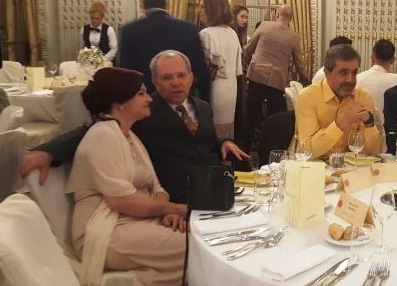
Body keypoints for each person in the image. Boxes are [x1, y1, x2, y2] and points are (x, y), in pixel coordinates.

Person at [20, 50, 249, 204]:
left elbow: (204, 139)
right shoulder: (142, 110)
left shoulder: (202, 106)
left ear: (191, 77)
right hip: (179, 196)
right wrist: (49, 151)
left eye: (181, 75)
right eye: (167, 78)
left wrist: (224, 142)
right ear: (155, 82)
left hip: (218, 188)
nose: (176, 83)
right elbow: (95, 129)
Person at [66, 67, 187, 286]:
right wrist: (179, 209)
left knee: (193, 238)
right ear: (120, 103)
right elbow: (122, 202)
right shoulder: (103, 135)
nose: (149, 98)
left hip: (132, 219)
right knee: (190, 244)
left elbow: (156, 187)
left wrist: (165, 212)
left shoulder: (129, 135)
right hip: (103, 227)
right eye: (141, 93)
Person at [118, 0, 211, 101]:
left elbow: (125, 72)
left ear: (143, 4)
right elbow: (201, 71)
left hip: (145, 100)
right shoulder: (188, 29)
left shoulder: (130, 30)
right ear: (166, 3)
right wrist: (204, 103)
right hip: (180, 98)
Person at [295, 44, 381, 160]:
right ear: (327, 72)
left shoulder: (363, 97)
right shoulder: (308, 97)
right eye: (344, 73)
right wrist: (339, 124)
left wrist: (369, 122)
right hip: (313, 167)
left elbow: (373, 152)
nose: (350, 80)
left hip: (348, 168)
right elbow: (307, 150)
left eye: (354, 73)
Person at [243, 4, 309, 147]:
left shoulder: (264, 26)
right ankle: (271, 149)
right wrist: (306, 81)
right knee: (275, 118)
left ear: (276, 14)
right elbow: (299, 64)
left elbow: (248, 49)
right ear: (290, 19)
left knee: (251, 115)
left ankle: (244, 150)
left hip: (256, 75)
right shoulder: (294, 37)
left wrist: (248, 62)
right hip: (277, 80)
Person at [198, 0, 243, 139]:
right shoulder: (232, 33)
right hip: (231, 88)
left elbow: (203, 70)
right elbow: (237, 69)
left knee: (213, 132)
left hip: (214, 89)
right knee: (227, 131)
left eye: (203, 7)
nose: (199, 10)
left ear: (212, 9)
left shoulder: (206, 34)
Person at [356, 39, 397, 116]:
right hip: (394, 123)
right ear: (393, 60)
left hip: (365, 122)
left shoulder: (358, 79)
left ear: (372, 58)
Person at [231, 4, 250, 144]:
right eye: (242, 16)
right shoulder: (231, 33)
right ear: (234, 16)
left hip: (239, 74)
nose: (245, 20)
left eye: (246, 17)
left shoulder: (240, 34)